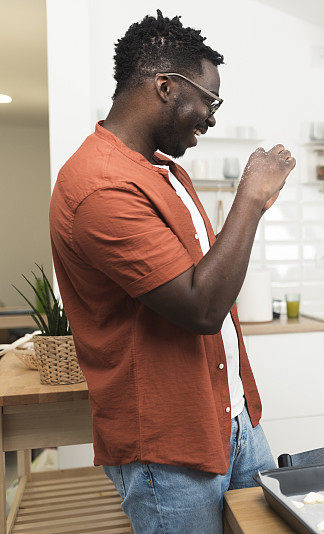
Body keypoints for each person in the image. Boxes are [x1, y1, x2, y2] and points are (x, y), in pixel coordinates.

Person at [49, 11, 295, 533]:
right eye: (208, 100)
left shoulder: (165, 170)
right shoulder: (100, 186)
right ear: (165, 87)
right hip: (167, 443)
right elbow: (202, 307)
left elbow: (209, 278)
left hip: (229, 419)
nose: (210, 117)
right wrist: (249, 198)